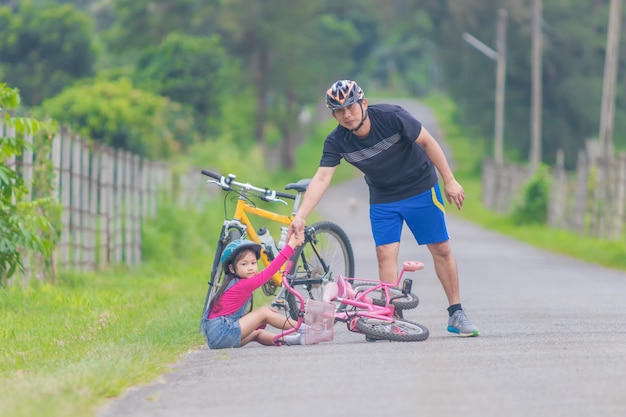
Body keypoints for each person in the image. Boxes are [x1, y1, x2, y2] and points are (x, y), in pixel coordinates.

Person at [287, 79, 479, 337]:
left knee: (441, 249)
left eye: (351, 107)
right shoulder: (337, 141)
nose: (347, 114)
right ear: (333, 115)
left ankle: (456, 312)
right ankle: (391, 317)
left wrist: (450, 179)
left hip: (420, 187)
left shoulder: (392, 117)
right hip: (383, 197)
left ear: (363, 103)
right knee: (385, 254)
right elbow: (322, 178)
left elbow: (429, 143)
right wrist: (301, 216)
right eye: (339, 111)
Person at [201, 231, 306, 349]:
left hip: (217, 337)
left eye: (253, 263)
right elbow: (271, 270)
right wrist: (291, 245)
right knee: (263, 313)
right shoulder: (242, 284)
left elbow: (230, 314)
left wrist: (258, 320)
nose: (250, 268)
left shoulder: (234, 283)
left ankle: (294, 339)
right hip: (222, 333)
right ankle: (305, 329)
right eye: (244, 264)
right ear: (232, 268)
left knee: (257, 334)